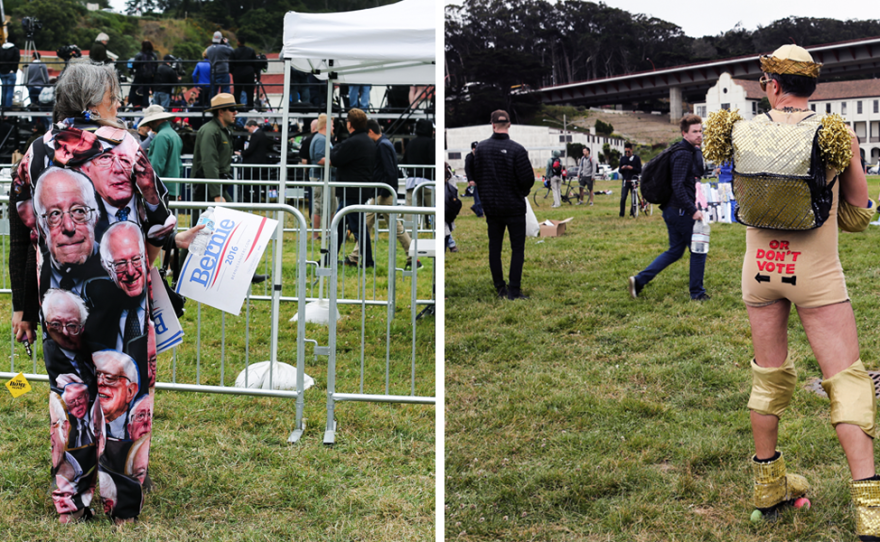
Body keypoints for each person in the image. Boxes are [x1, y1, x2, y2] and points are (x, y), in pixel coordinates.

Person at [702, 44, 879, 540]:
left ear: (772, 84)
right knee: (846, 381)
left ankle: (768, 488)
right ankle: (871, 512)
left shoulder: (737, 129)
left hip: (759, 271)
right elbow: (859, 213)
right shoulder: (834, 133)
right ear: (812, 87)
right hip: (817, 274)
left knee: (768, 379)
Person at [8, 62, 173, 524]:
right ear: (94, 101)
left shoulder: (33, 153)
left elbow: (21, 232)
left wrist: (22, 304)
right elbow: (160, 222)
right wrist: (145, 264)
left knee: (69, 397)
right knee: (125, 400)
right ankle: (120, 508)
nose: (117, 106)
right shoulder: (127, 146)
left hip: (55, 301)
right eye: (113, 98)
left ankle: (70, 505)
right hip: (120, 303)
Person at [627, 114, 709, 301]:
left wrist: (698, 150)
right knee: (698, 250)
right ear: (684, 133)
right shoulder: (682, 154)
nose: (699, 135)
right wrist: (692, 210)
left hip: (672, 210)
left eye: (700, 131)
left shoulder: (686, 151)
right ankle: (697, 293)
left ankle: (639, 280)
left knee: (675, 251)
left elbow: (699, 171)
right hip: (680, 210)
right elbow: (678, 186)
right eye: (695, 132)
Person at [471, 109, 535, 300]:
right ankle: (514, 289)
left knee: (495, 248)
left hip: (492, 207)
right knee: (517, 249)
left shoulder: (481, 149)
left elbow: (477, 176)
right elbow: (527, 179)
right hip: (514, 206)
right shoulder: (517, 149)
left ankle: (500, 287)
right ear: (509, 124)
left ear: (492, 124)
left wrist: (485, 197)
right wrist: (521, 192)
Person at [347, 119, 418, 268]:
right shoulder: (384, 144)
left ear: (371, 132)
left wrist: (385, 191)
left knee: (392, 227)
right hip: (382, 192)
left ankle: (414, 257)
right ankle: (354, 256)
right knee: (367, 223)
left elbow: (389, 170)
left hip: (384, 193)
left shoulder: (382, 146)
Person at [328, 108, 376, 268]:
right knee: (340, 225)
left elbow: (335, 158)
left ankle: (368, 262)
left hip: (352, 189)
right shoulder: (368, 141)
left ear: (350, 124)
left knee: (357, 228)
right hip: (359, 189)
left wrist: (335, 146)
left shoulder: (353, 142)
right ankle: (331, 257)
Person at [191, 92, 238, 224]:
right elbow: (209, 162)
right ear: (221, 112)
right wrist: (216, 193)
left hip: (214, 183)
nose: (236, 113)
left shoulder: (222, 130)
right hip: (206, 184)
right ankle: (188, 245)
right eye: (232, 109)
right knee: (199, 225)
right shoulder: (210, 131)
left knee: (206, 223)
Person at [143, 105, 182, 200]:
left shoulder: (161, 136)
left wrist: (149, 189)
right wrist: (178, 190)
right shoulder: (174, 135)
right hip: (172, 188)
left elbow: (156, 165)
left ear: (154, 120)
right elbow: (179, 166)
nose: (148, 125)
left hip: (161, 189)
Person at [310, 113, 336, 240]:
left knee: (329, 205)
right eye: (332, 125)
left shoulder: (321, 138)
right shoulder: (321, 139)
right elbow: (320, 158)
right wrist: (336, 161)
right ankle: (316, 235)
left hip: (324, 177)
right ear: (326, 125)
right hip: (320, 177)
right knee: (320, 205)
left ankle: (327, 233)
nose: (333, 128)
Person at [241, 118, 272, 203]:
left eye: (249, 129)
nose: (249, 131)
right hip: (260, 162)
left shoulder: (256, 135)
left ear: (253, 126)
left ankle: (250, 198)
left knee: (245, 181)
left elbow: (251, 149)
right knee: (257, 182)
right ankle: (257, 199)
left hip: (253, 163)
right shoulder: (262, 134)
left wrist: (242, 153)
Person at [129, 41, 157, 110]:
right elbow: (156, 66)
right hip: (149, 76)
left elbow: (134, 64)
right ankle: (145, 105)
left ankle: (130, 103)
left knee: (133, 89)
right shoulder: (153, 55)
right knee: (146, 91)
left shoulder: (140, 54)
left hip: (139, 75)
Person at [205, 32, 234, 98]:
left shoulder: (208, 49)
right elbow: (232, 52)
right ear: (220, 39)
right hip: (223, 71)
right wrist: (227, 43)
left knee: (213, 91)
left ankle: (212, 105)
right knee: (226, 91)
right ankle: (226, 106)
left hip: (213, 72)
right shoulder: (223, 48)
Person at [231, 39, 257, 110]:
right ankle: (250, 105)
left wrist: (233, 71)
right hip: (249, 72)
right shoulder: (251, 50)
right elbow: (255, 62)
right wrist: (255, 72)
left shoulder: (234, 51)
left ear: (239, 42)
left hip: (238, 72)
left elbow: (231, 63)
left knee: (237, 90)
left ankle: (237, 105)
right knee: (250, 89)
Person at [618, 142, 642, 217]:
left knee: (633, 198)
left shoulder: (636, 158)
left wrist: (632, 168)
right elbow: (619, 170)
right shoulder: (623, 158)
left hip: (633, 180)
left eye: (628, 151)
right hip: (625, 180)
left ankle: (633, 212)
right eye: (626, 151)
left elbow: (640, 170)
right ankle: (622, 213)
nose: (627, 153)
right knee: (623, 197)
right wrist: (622, 168)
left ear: (632, 150)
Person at [464, 141, 484, 217]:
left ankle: (475, 207)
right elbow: (468, 169)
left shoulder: (481, 156)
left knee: (483, 198)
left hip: (482, 180)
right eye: (474, 148)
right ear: (472, 148)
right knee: (477, 198)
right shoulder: (469, 157)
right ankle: (479, 214)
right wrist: (470, 180)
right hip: (474, 181)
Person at [0, 40, 19, 110]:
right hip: (11, 72)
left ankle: (3, 105)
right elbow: (16, 60)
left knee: (4, 90)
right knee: (10, 90)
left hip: (2, 72)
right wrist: (13, 69)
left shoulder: (1, 49)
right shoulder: (15, 50)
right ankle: (8, 106)